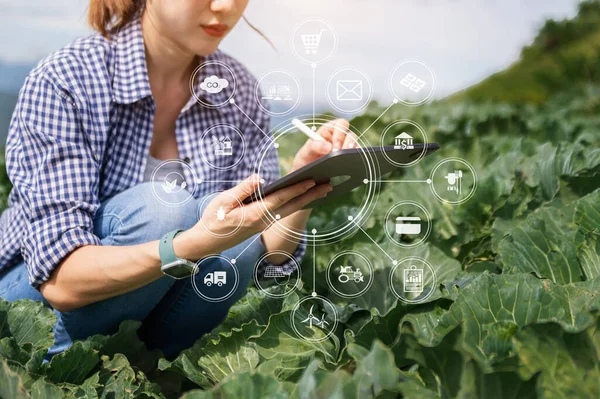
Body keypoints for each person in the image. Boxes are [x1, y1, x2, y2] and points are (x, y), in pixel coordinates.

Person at [0, 0, 356, 359]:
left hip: (148, 329)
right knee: (164, 210)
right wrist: (189, 245)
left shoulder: (238, 92)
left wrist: (304, 182)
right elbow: (61, 285)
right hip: (33, 314)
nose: (225, 6)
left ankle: (154, 371)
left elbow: (264, 258)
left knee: (239, 241)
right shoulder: (66, 79)